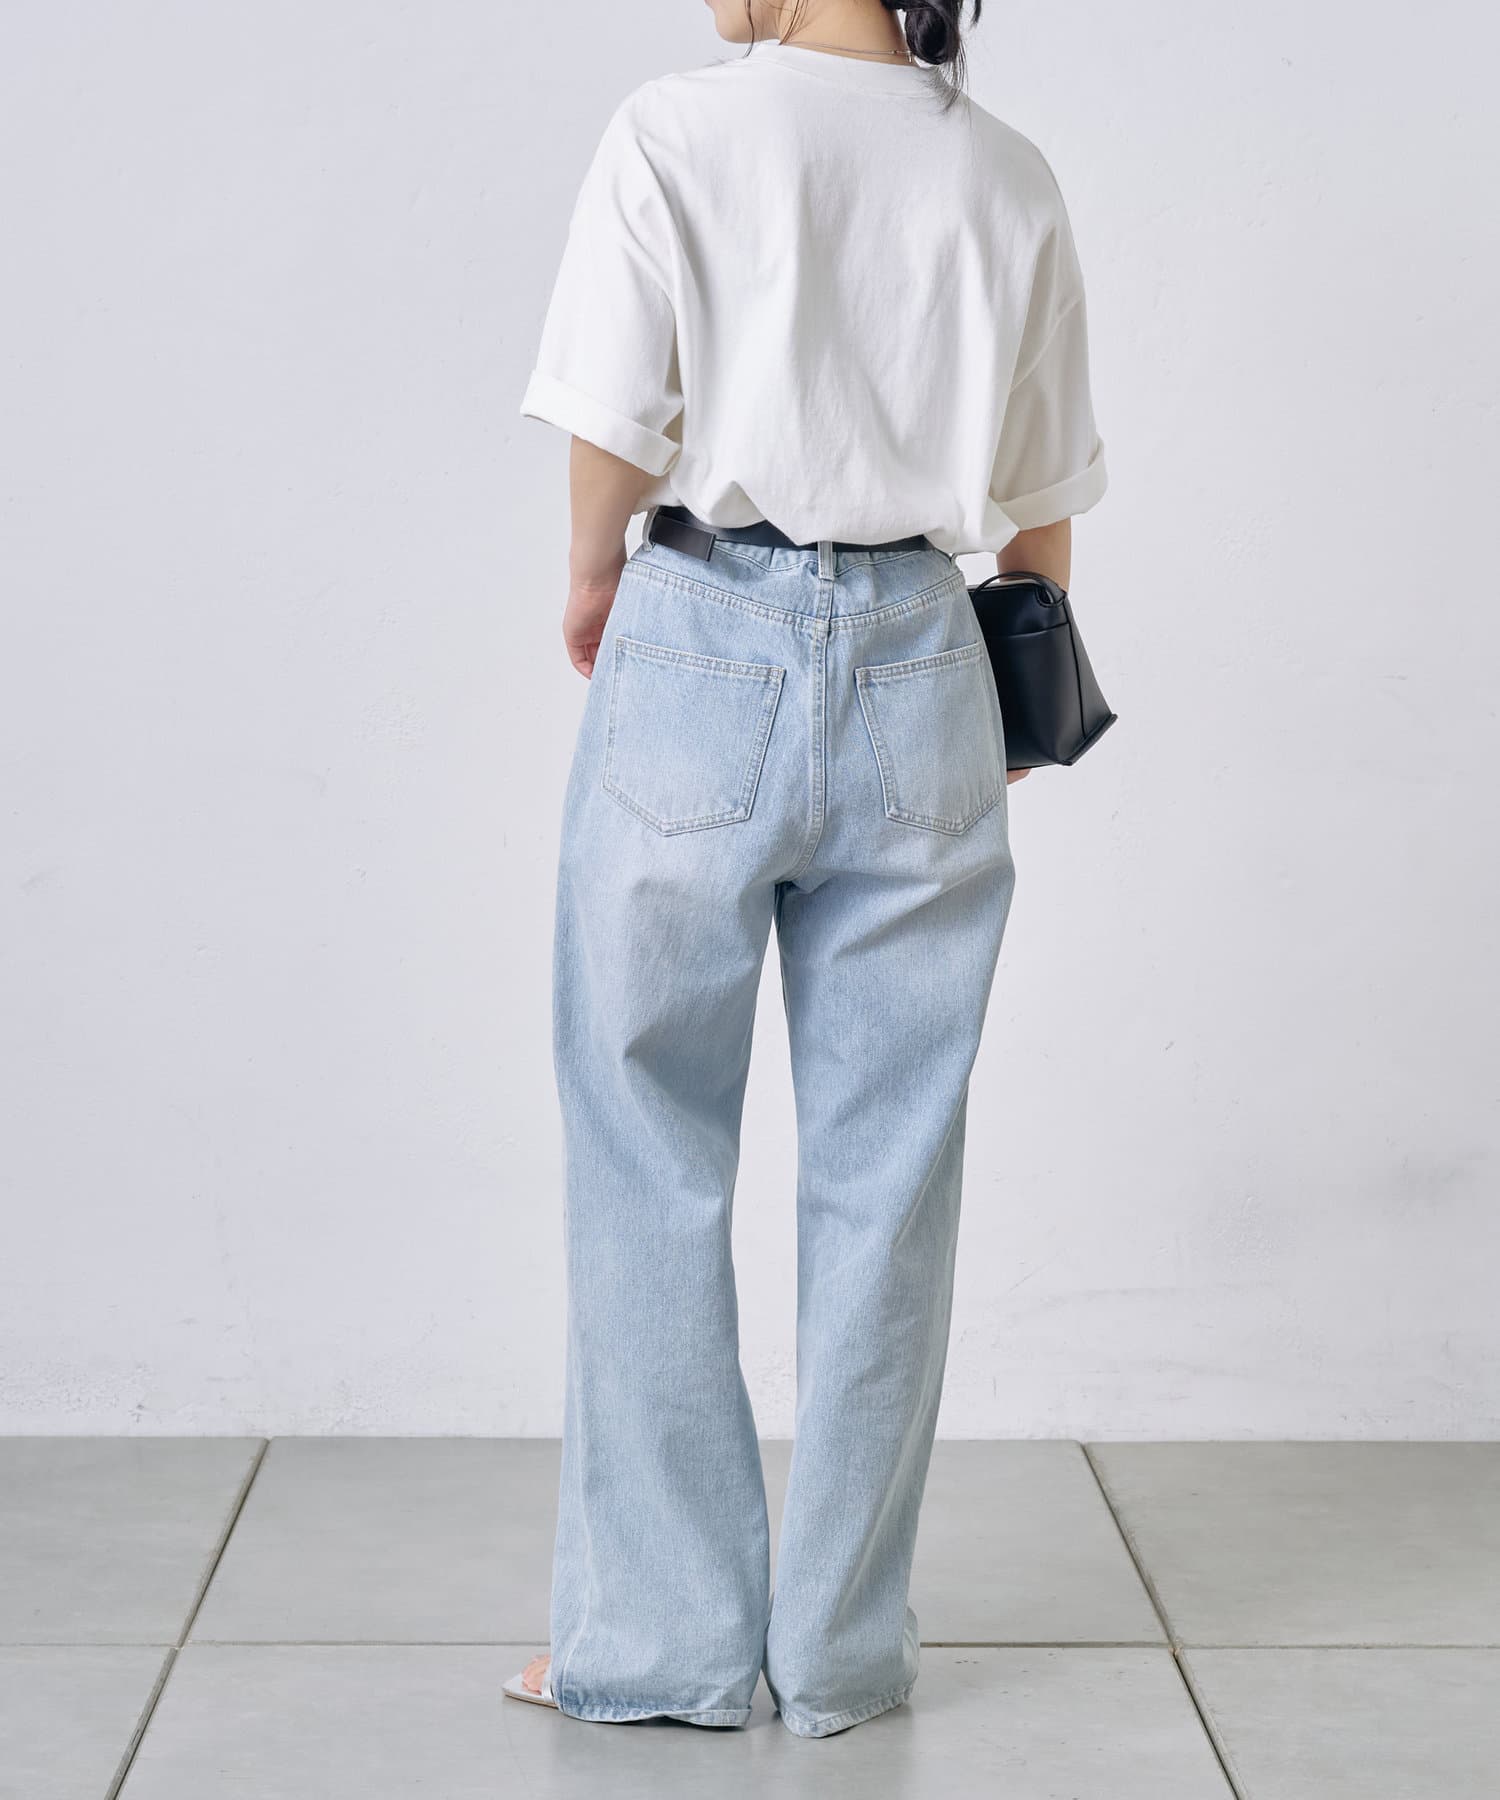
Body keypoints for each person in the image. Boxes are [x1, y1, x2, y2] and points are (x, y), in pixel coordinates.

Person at [506, 0, 1107, 1739]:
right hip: (929, 645)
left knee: (645, 1144)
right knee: (890, 1173)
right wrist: (1003, 690)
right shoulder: (1007, 172)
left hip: (703, 628)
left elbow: (612, 421)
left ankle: (661, 1646)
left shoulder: (679, 127)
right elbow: (1042, 502)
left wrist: (591, 581)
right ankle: (842, 1652)